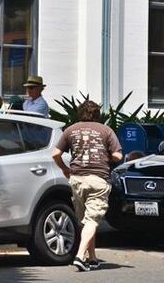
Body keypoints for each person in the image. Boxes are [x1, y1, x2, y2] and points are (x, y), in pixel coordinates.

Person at [51, 100, 123, 272]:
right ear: (98, 114)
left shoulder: (71, 130)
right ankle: (80, 256)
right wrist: (107, 156)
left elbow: (55, 154)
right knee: (92, 220)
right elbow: (118, 156)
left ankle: (92, 258)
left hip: (77, 179)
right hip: (98, 179)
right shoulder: (106, 130)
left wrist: (65, 169)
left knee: (86, 221)